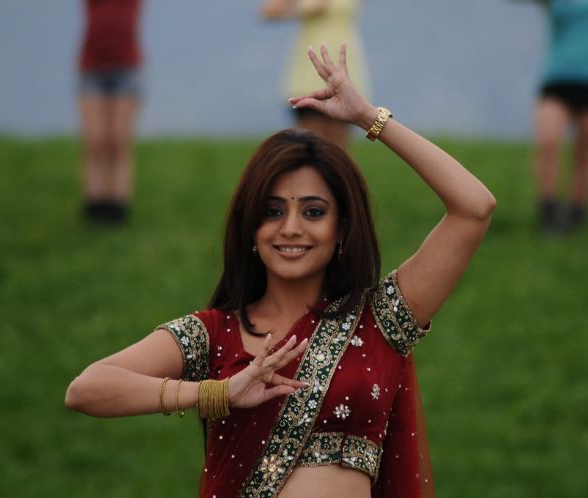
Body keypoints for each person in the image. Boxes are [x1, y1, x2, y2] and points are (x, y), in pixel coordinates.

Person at [65, 44, 496, 497]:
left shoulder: (380, 320)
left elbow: (474, 208)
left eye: (313, 212)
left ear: (341, 228)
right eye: (272, 211)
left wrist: (369, 118)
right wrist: (218, 393)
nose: (290, 228)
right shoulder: (215, 333)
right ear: (251, 228)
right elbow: (87, 389)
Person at [517, 0, 588, 233]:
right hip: (558, 78)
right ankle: (548, 212)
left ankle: (578, 213)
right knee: (548, 142)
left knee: (584, 152)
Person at [261, 0, 370, 150]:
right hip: (309, 69)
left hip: (343, 63)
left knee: (339, 147)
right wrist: (302, 10)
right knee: (309, 143)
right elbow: (270, 11)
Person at [78, 0, 144, 223]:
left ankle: (118, 206)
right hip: (91, 68)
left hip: (127, 69)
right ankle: (95, 204)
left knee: (119, 142)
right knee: (95, 142)